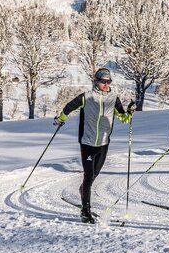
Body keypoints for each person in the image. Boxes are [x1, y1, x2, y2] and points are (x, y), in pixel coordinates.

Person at [55, 68, 136, 223]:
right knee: (88, 176)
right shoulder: (87, 97)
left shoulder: (113, 98)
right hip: (87, 142)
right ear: (96, 81)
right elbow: (68, 107)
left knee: (94, 174)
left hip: (103, 143)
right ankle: (85, 211)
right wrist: (61, 119)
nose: (106, 84)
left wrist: (130, 111)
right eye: (103, 81)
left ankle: (83, 191)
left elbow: (123, 118)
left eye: (108, 82)